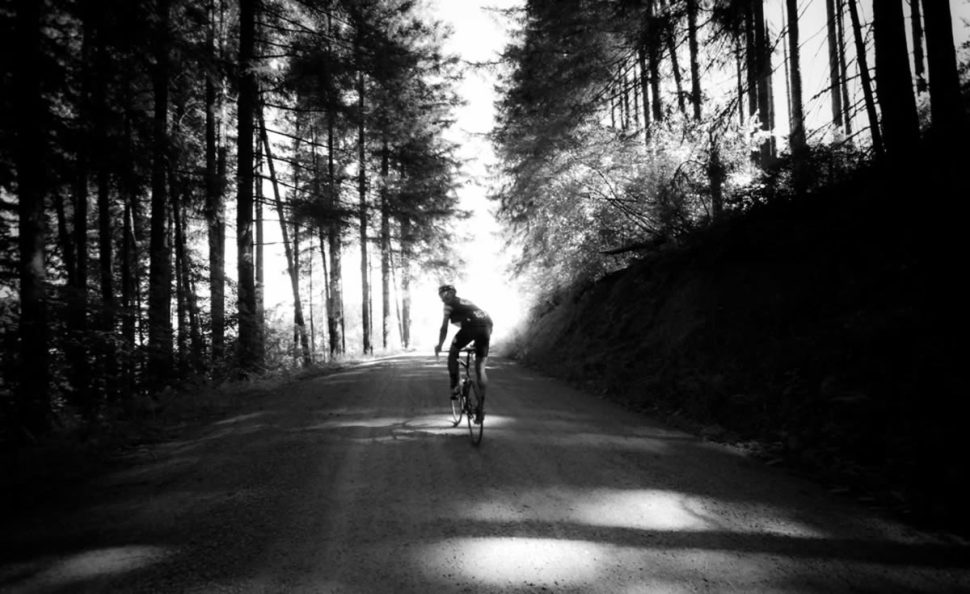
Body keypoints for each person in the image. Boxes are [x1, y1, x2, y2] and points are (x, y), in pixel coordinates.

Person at [433, 284, 493, 424]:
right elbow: (485, 321)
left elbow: (444, 328)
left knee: (453, 352)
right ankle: (480, 408)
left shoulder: (448, 306)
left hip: (471, 326)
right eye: (441, 295)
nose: (444, 297)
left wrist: (439, 345)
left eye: (446, 294)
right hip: (487, 326)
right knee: (480, 369)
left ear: (453, 293)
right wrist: (477, 343)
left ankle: (455, 384)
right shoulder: (466, 302)